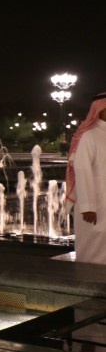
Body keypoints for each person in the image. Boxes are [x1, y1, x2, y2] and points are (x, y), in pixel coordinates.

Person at [66, 91, 106, 263]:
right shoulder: (89, 135)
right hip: (96, 203)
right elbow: (82, 169)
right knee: (95, 246)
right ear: (101, 109)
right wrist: (88, 205)